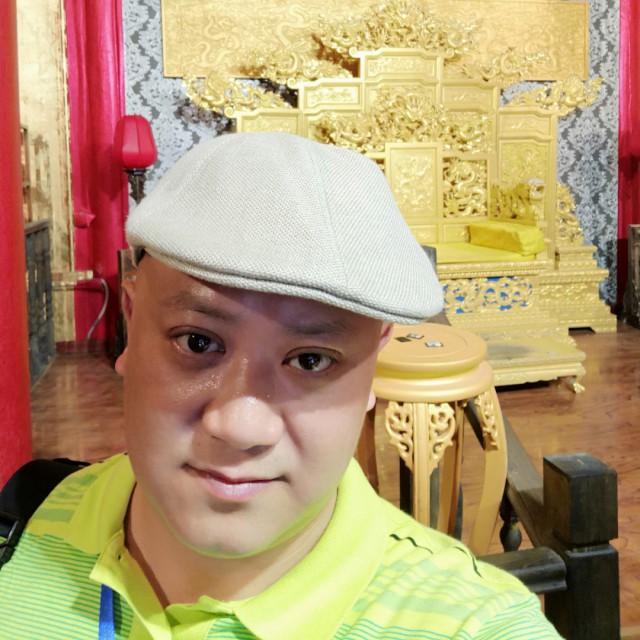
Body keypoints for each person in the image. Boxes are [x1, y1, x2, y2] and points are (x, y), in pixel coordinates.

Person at [0, 132, 562, 639]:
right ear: (130, 323)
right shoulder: (20, 530)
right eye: (197, 342)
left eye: (311, 360)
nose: (240, 426)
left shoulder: (473, 624)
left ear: (374, 364)